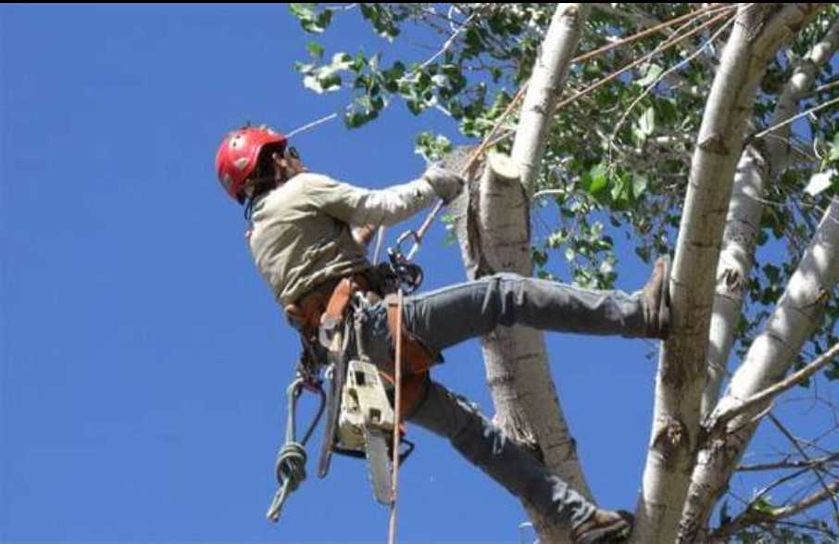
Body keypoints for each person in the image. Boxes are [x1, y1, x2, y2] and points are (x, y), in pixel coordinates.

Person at [215, 126, 672, 543]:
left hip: (355, 372)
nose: (297, 159)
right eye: (288, 153)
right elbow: (384, 205)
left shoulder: (259, 236)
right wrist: (434, 182)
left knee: (473, 434)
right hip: (374, 331)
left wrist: (358, 241)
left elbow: (319, 266)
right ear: (272, 163)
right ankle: (638, 315)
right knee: (503, 296)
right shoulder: (301, 189)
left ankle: (578, 521)